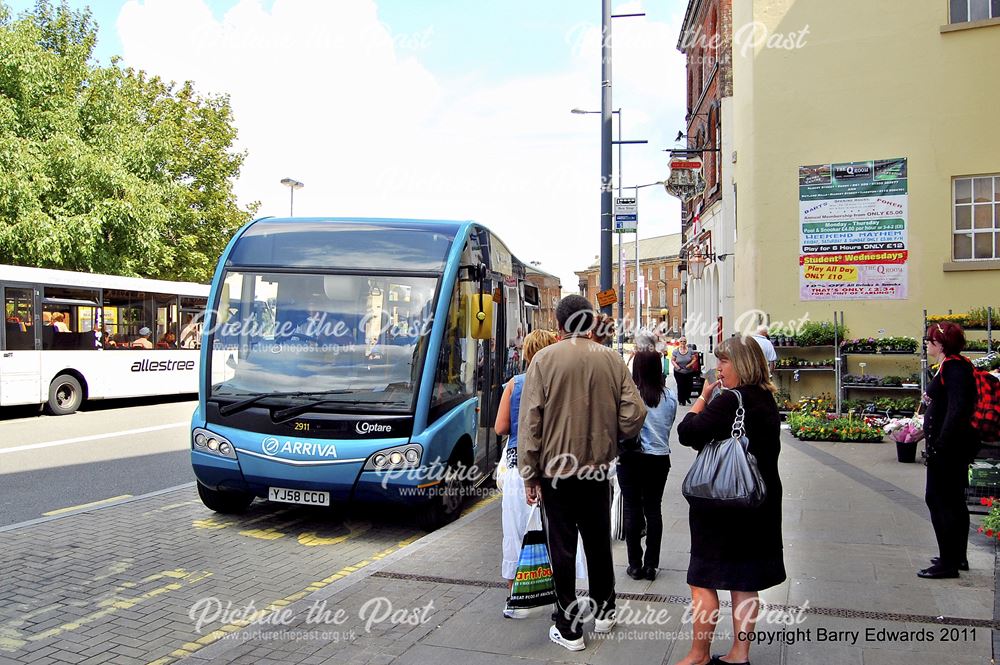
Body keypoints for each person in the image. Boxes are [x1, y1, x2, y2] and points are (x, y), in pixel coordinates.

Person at [518, 294, 646, 651]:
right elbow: (635, 414)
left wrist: (530, 474)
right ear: (590, 322)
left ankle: (569, 626)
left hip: (556, 472)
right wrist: (611, 434)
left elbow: (530, 423)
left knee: (561, 547)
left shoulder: (543, 360)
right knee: (597, 541)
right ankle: (605, 611)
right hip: (597, 469)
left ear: (559, 325)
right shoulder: (611, 359)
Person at [675, 335, 785, 665]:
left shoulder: (728, 401)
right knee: (744, 582)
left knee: (702, 581)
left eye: (723, 362)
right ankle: (739, 653)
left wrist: (703, 399)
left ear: (742, 364)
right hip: (760, 503)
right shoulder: (766, 399)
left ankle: (698, 655)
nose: (718, 368)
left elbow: (688, 433)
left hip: (724, 505)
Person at [495, 329, 586, 618]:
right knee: (557, 536)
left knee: (516, 533)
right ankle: (562, 599)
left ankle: (515, 598)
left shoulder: (515, 384)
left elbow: (500, 427)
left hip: (518, 469)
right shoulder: (561, 383)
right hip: (554, 468)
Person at [919, 322, 978, 579]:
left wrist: (941, 443)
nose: (927, 344)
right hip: (951, 447)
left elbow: (957, 409)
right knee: (953, 500)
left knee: (939, 499)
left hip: (948, 450)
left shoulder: (954, 368)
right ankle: (957, 556)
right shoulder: (955, 365)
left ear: (941, 345)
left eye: (930, 340)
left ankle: (948, 562)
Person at [617, 350, 677, 581]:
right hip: (659, 459)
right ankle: (651, 564)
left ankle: (634, 564)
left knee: (632, 509)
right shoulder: (669, 397)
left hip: (631, 458)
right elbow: (669, 425)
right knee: (654, 509)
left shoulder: (628, 396)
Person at [671, 337, 699, 405]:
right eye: (681, 341)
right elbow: (672, 360)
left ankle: (687, 397)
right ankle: (681, 400)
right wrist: (677, 366)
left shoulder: (690, 350)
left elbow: (694, 359)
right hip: (679, 371)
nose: (683, 343)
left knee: (689, 386)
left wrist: (689, 364)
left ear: (686, 342)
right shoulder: (676, 351)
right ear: (679, 342)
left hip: (689, 371)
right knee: (681, 385)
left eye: (684, 341)